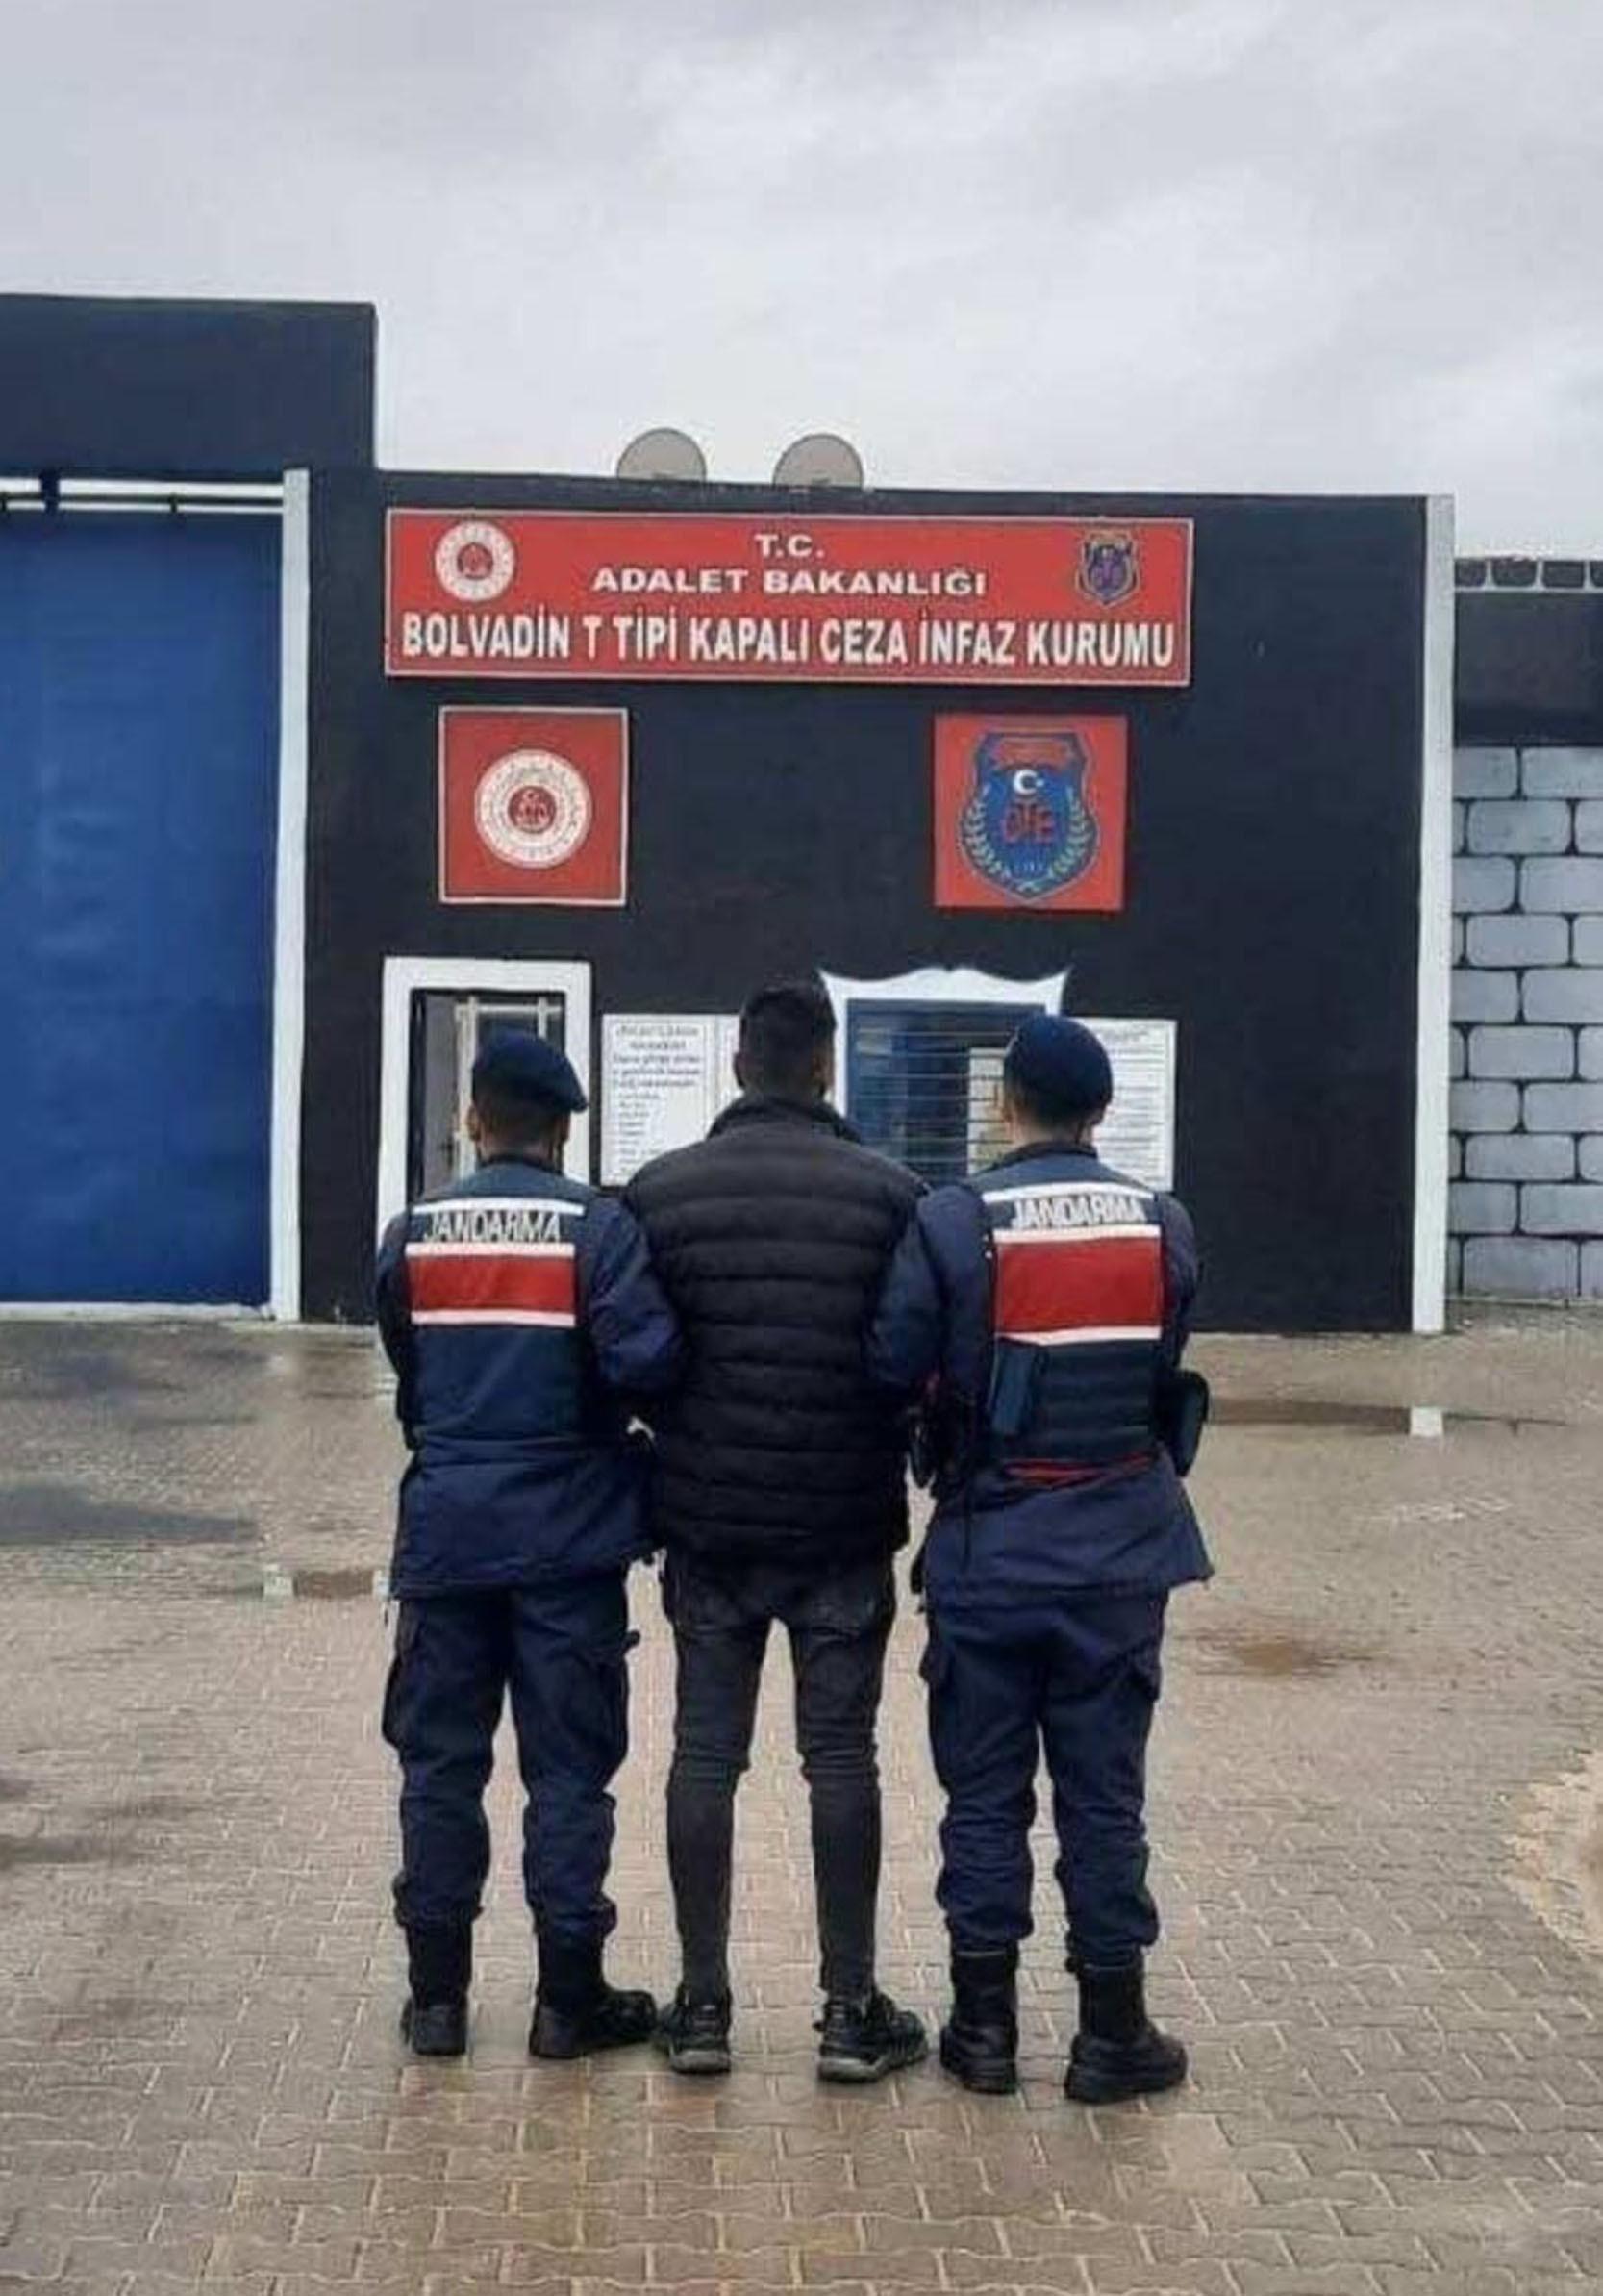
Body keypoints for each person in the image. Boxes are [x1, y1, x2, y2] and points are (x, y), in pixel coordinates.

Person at [866, 1014, 1212, 2103]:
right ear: (1100, 1110)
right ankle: (1112, 2034)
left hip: (989, 1553)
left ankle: (982, 2030)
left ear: (1002, 1102)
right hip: (1119, 1556)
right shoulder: (1161, 1222)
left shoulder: (950, 1220)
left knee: (982, 1798)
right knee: (1103, 1800)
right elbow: (1161, 1359)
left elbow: (891, 1362)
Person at [624, 978, 927, 2082]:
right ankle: (849, 2011)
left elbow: (637, 1356)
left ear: (738, 1064)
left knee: (705, 1754)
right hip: (842, 1522)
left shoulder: (658, 1194)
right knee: (839, 1756)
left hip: (708, 1523)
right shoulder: (893, 1195)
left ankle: (701, 2005)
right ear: (825, 1066)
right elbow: (904, 1357)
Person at [375, 1028, 682, 2060]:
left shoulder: (412, 1234)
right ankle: (566, 2001)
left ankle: (436, 2002)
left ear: (472, 1120)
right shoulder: (599, 1230)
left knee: (438, 1768)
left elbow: (412, 1374)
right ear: (561, 1130)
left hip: (447, 1537)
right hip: (569, 1542)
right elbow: (648, 1365)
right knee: (568, 1775)